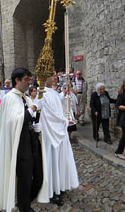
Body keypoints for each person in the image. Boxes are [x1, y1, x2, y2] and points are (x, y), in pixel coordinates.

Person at [0, 68, 48, 212]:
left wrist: (36, 125)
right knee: (24, 182)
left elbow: (27, 119)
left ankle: (24, 202)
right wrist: (33, 108)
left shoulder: (26, 97)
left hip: (32, 143)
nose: (29, 83)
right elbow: (14, 121)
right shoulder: (9, 98)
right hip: (20, 147)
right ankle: (25, 207)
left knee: (39, 177)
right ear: (17, 80)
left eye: (30, 80)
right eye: (26, 80)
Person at [38, 77, 79, 206]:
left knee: (61, 160)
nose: (54, 77)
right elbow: (48, 115)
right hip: (50, 134)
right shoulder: (41, 93)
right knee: (52, 161)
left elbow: (59, 112)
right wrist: (65, 122)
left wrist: (65, 119)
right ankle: (53, 190)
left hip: (60, 131)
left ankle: (60, 184)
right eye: (50, 75)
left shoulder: (54, 92)